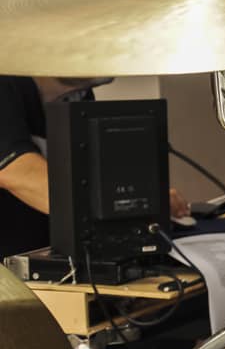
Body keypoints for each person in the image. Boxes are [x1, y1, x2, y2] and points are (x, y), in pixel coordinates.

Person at [0, 75, 189, 259]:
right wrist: (131, 204)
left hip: (54, 263)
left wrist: (141, 201)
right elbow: (16, 172)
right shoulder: (6, 81)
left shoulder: (78, 97)